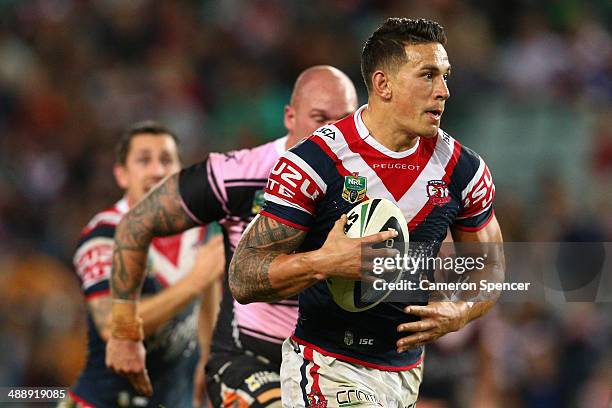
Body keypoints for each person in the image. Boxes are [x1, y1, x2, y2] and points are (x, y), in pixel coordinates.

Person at [228, 18, 505, 407]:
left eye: (445, 76)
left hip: (404, 375)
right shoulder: (316, 161)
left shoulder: (463, 170)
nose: (443, 91)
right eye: (427, 76)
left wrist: (459, 311)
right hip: (326, 363)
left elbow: (489, 268)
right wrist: (323, 262)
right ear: (383, 84)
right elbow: (243, 275)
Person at [104, 66, 358, 407]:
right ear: (290, 117)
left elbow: (425, 258)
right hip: (251, 358)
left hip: (336, 365)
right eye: (318, 118)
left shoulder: (374, 184)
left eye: (342, 121)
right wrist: (123, 330)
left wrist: (454, 305)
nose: (331, 133)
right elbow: (136, 222)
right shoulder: (240, 174)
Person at [64, 121, 225, 407]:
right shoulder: (102, 235)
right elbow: (111, 323)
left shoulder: (202, 228)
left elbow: (209, 288)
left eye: (166, 160)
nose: (157, 171)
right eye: (144, 160)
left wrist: (208, 359)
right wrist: (192, 283)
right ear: (122, 175)